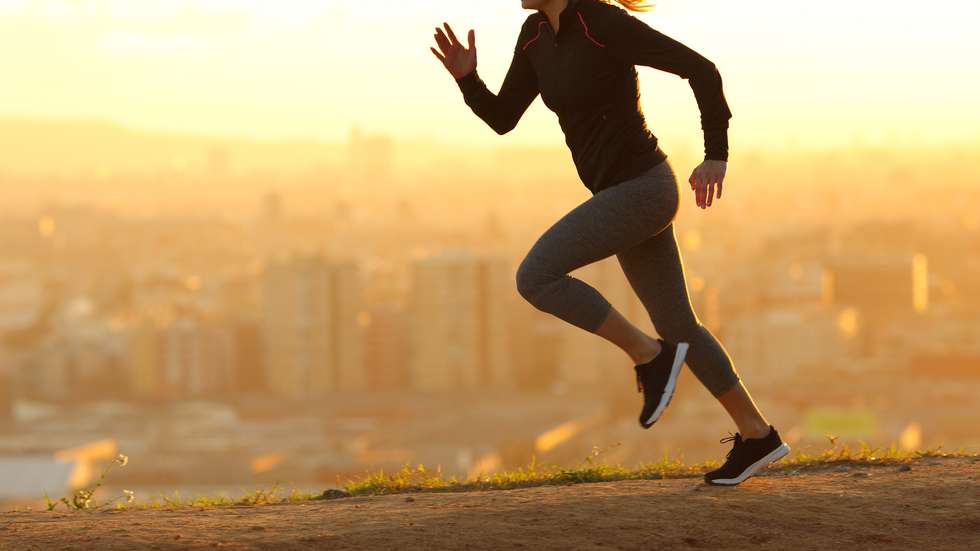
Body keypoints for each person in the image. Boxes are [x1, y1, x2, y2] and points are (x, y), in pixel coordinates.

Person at [430, 0, 789, 486]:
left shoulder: (600, 22)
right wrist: (468, 78)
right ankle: (757, 434)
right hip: (620, 195)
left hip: (644, 189)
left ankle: (649, 354)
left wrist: (716, 154)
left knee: (536, 277)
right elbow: (502, 117)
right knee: (680, 324)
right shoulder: (534, 35)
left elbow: (701, 70)